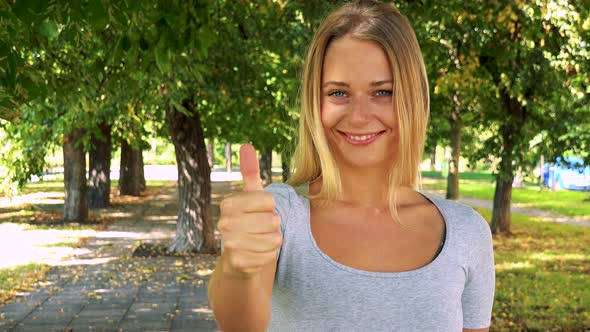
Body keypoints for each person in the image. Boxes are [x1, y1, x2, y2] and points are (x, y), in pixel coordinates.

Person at [207, 1, 495, 331]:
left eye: (383, 92)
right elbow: (239, 322)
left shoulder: (466, 233)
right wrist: (236, 267)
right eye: (339, 93)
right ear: (315, 103)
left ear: (413, 99)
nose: (359, 116)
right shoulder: (279, 215)